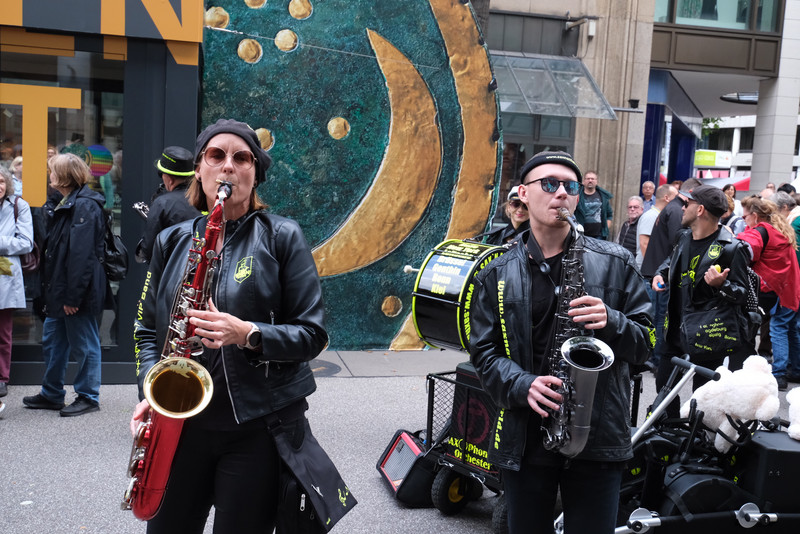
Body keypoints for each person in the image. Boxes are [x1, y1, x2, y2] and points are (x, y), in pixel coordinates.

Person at [130, 119, 328, 533]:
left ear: (255, 174)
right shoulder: (172, 240)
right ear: (199, 170)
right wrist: (152, 388)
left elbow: (312, 334)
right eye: (215, 156)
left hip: (256, 429)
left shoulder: (283, 236)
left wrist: (248, 334)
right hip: (179, 426)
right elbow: (148, 330)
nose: (228, 167)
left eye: (242, 158)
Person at [469, 150, 653, 534]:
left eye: (569, 187)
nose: (562, 195)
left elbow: (648, 342)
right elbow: (484, 353)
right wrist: (523, 384)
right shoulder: (495, 272)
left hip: (598, 435)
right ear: (523, 193)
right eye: (549, 185)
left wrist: (612, 321)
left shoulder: (616, 262)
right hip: (527, 437)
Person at [22, 153, 107, 416]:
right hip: (60, 290)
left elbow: (82, 256)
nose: (49, 176)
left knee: (85, 343)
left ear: (63, 176)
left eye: (52, 171)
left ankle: (88, 396)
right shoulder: (67, 202)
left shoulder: (84, 206)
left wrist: (73, 297)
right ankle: (52, 393)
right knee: (53, 340)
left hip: (73, 292)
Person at [652, 185, 753, 396]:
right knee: (663, 385)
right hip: (675, 329)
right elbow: (671, 262)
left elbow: (744, 295)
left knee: (703, 394)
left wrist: (721, 285)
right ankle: (666, 427)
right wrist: (660, 273)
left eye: (687, 203)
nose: (682, 208)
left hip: (708, 332)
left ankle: (697, 430)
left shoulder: (731, 248)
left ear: (700, 210)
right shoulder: (683, 237)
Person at [737, 195, 800, 390]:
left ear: (755, 215)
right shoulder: (780, 231)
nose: (743, 220)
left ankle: (779, 374)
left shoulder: (762, 232)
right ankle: (795, 369)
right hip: (790, 288)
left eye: (745, 216)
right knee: (790, 329)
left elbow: (746, 247)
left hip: (776, 290)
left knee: (779, 328)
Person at [641, 178, 701, 371]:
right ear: (691, 192)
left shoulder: (672, 208)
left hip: (657, 272)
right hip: (661, 275)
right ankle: (658, 358)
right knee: (661, 319)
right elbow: (679, 246)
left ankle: (656, 357)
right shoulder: (676, 210)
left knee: (658, 318)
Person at [0, 166, 34, 398]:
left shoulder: (17, 206)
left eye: (1, 181)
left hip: (4, 278)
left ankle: (1, 378)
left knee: (3, 333)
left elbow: (26, 243)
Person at [135, 146, 200, 263]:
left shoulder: (162, 204)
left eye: (162, 174)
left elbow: (149, 249)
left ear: (169, 179)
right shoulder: (205, 199)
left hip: (172, 273)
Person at [637, 184, 677, 269]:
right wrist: (654, 269)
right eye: (676, 197)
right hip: (647, 272)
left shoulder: (659, 215)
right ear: (666, 198)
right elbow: (644, 243)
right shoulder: (651, 216)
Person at [575, 170, 613, 239]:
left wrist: (605, 228)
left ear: (596, 181)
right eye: (588, 179)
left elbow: (609, 215)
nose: (590, 180)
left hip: (599, 236)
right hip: (581, 234)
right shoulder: (577, 195)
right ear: (583, 181)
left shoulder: (603, 196)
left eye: (592, 179)